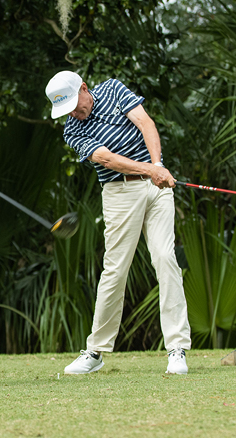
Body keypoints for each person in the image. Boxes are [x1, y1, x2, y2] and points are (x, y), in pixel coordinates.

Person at [45, 71, 191, 375]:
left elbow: (145, 123)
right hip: (119, 191)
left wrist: (158, 165)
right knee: (115, 268)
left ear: (84, 88)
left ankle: (177, 349)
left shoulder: (113, 89)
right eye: (67, 110)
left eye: (75, 104)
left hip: (157, 186)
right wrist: (151, 169)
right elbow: (107, 159)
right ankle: (95, 351)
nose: (74, 112)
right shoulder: (72, 131)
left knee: (165, 258)